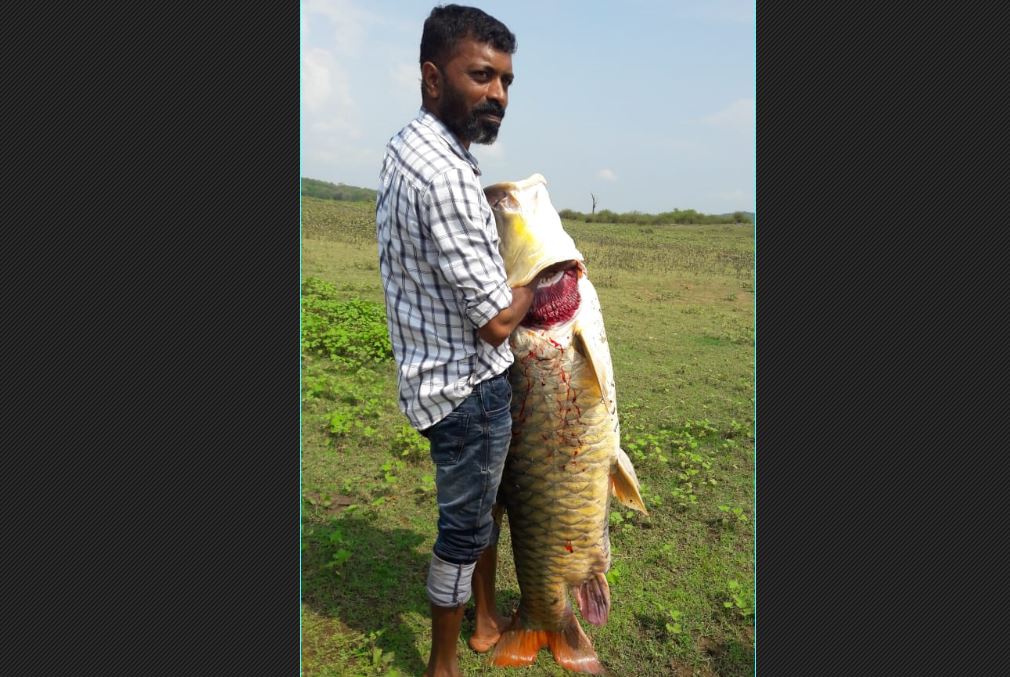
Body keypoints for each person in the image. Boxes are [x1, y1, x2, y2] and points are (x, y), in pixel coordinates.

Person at [375, 5, 543, 676]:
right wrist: (543, 271)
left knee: (484, 504)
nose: (497, 94)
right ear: (432, 76)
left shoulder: (412, 146)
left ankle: (485, 617)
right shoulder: (446, 175)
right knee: (464, 532)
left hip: (433, 376)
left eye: (505, 80)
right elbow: (498, 321)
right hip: (466, 392)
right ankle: (442, 665)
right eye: (481, 75)